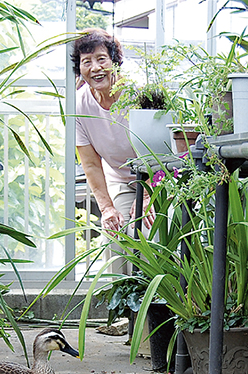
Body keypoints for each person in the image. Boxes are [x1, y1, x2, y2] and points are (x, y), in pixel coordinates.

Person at [71, 28, 155, 237]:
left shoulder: (138, 94)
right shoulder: (78, 104)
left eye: (102, 59)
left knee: (147, 233)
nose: (95, 68)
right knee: (116, 235)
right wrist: (107, 208)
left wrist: (147, 195)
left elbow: (163, 151)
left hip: (156, 177)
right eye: (86, 61)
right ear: (79, 68)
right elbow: (90, 164)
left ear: (115, 61)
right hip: (120, 179)